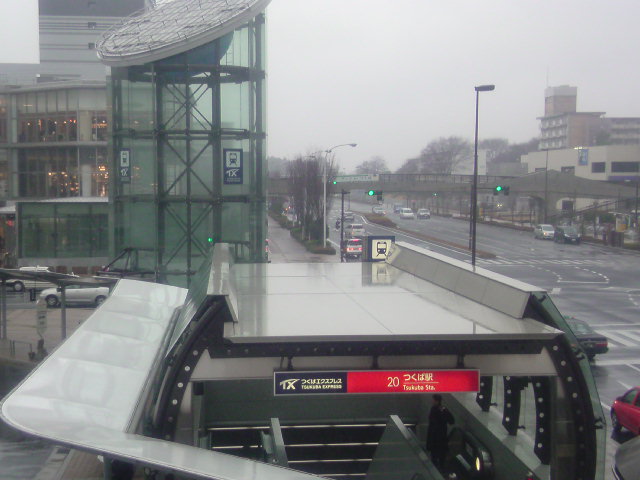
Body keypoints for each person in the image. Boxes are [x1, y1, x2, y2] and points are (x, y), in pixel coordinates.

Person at [426, 394, 454, 468]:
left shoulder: (434, 410)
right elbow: (452, 421)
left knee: (434, 458)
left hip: (434, 439)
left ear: (437, 401)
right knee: (442, 458)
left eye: (433, 400)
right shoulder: (444, 409)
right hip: (442, 438)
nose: (432, 401)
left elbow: (431, 425)